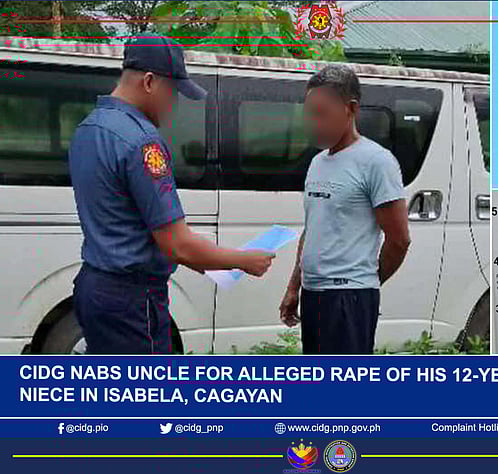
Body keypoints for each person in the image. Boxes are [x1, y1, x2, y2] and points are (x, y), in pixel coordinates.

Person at [68, 36, 274, 354]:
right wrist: (244, 260)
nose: (174, 104)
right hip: (131, 300)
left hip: (93, 287)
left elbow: (133, 225)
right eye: (173, 92)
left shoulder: (88, 128)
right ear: (150, 82)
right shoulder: (142, 141)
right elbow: (177, 244)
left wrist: (208, 261)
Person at [279, 65, 411, 354]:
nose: (313, 123)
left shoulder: (376, 161)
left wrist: (363, 285)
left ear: (351, 109)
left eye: (322, 114)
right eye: (309, 114)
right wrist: (293, 287)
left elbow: (399, 240)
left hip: (349, 299)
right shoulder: (318, 162)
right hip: (313, 294)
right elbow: (313, 229)